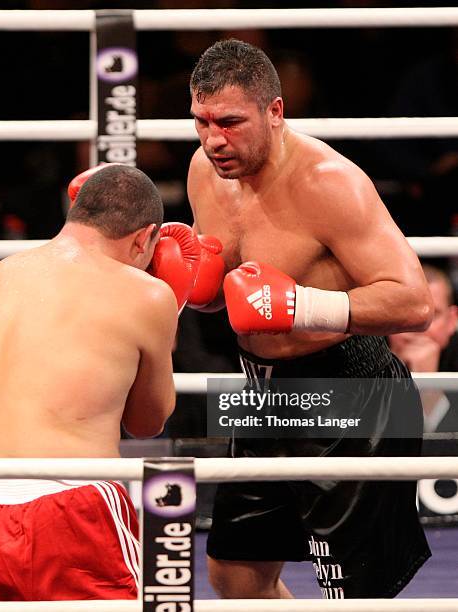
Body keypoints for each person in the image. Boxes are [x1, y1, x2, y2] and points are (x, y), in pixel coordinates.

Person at [186, 39, 434, 600]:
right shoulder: (206, 170)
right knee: (237, 573)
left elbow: (414, 302)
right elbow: (229, 286)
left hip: (351, 394)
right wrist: (197, 286)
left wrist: (302, 305)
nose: (213, 139)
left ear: (275, 112)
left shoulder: (329, 183)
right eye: (201, 122)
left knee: (349, 588)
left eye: (230, 122)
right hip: (264, 394)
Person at [0, 164, 203, 601]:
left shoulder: (1, 275)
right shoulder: (145, 294)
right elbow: (148, 423)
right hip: (67, 507)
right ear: (145, 238)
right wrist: (168, 315)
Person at [389, 264, 458, 433]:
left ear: (452, 321)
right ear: (385, 319)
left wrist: (428, 389)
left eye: (432, 315)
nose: (417, 327)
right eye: (404, 313)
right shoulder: (361, 368)